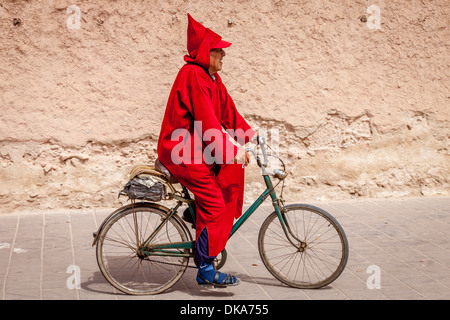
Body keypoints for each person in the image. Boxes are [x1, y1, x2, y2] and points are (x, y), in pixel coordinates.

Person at [157, 14, 256, 287]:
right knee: (214, 204)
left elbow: (227, 112)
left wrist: (251, 137)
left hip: (195, 149)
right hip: (181, 151)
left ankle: (200, 225)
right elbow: (207, 121)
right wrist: (231, 152)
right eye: (218, 50)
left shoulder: (211, 78)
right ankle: (205, 268)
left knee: (225, 181)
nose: (223, 54)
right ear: (205, 52)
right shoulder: (193, 75)